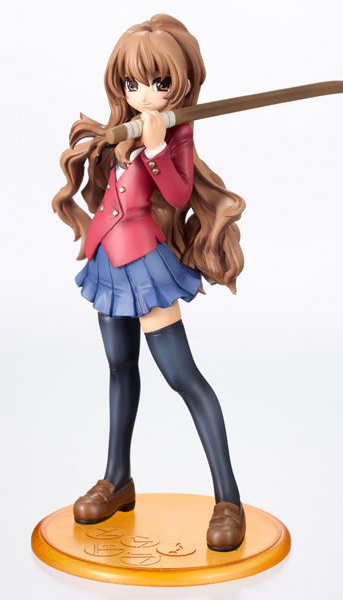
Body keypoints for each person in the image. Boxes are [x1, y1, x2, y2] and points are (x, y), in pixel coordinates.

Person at [52, 14, 247, 552]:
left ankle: (228, 498)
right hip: (107, 264)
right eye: (132, 82)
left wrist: (159, 148)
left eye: (159, 83)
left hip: (145, 265)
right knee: (119, 368)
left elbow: (179, 194)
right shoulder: (122, 130)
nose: (144, 94)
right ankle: (117, 479)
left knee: (183, 376)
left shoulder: (174, 135)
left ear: (179, 85)